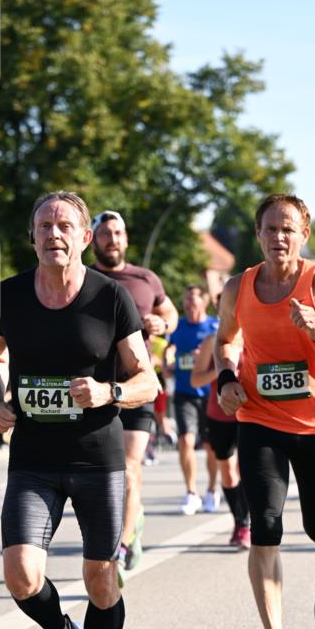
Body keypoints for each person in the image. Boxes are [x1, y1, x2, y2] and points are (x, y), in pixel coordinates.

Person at [0, 191, 157, 629]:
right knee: (20, 574)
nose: (53, 234)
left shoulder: (111, 298)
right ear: (31, 236)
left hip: (96, 460)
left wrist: (108, 392)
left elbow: (146, 379)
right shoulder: (8, 296)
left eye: (64, 226)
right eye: (44, 225)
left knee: (101, 581)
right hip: (33, 458)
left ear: (84, 238)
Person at [215, 194, 315, 629]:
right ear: (257, 235)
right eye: (270, 229)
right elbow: (224, 341)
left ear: (304, 235)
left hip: (314, 423)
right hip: (258, 419)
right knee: (267, 523)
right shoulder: (238, 287)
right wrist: (226, 380)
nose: (279, 237)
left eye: (288, 229)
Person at [90, 210, 178, 576]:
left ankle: (121, 547)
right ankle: (133, 519)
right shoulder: (82, 279)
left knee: (128, 471)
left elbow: (170, 314)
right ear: (92, 239)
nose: (113, 239)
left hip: (137, 387)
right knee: (100, 476)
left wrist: (163, 323)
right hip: (93, 390)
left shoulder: (145, 279)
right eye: (106, 233)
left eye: (118, 233)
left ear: (126, 239)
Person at [190, 331, 250, 549]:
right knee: (227, 471)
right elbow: (195, 380)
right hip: (220, 414)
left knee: (249, 469)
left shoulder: (256, 332)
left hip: (252, 412)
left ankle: (247, 524)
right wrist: (221, 372)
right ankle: (240, 521)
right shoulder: (212, 341)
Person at [170, 285, 220, 515]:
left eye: (194, 300)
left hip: (210, 395)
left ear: (204, 302)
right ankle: (191, 493)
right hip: (184, 393)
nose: (189, 305)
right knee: (185, 442)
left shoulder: (214, 326)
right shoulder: (178, 326)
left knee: (211, 446)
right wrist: (167, 360)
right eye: (186, 301)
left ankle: (211, 490)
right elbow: (170, 348)